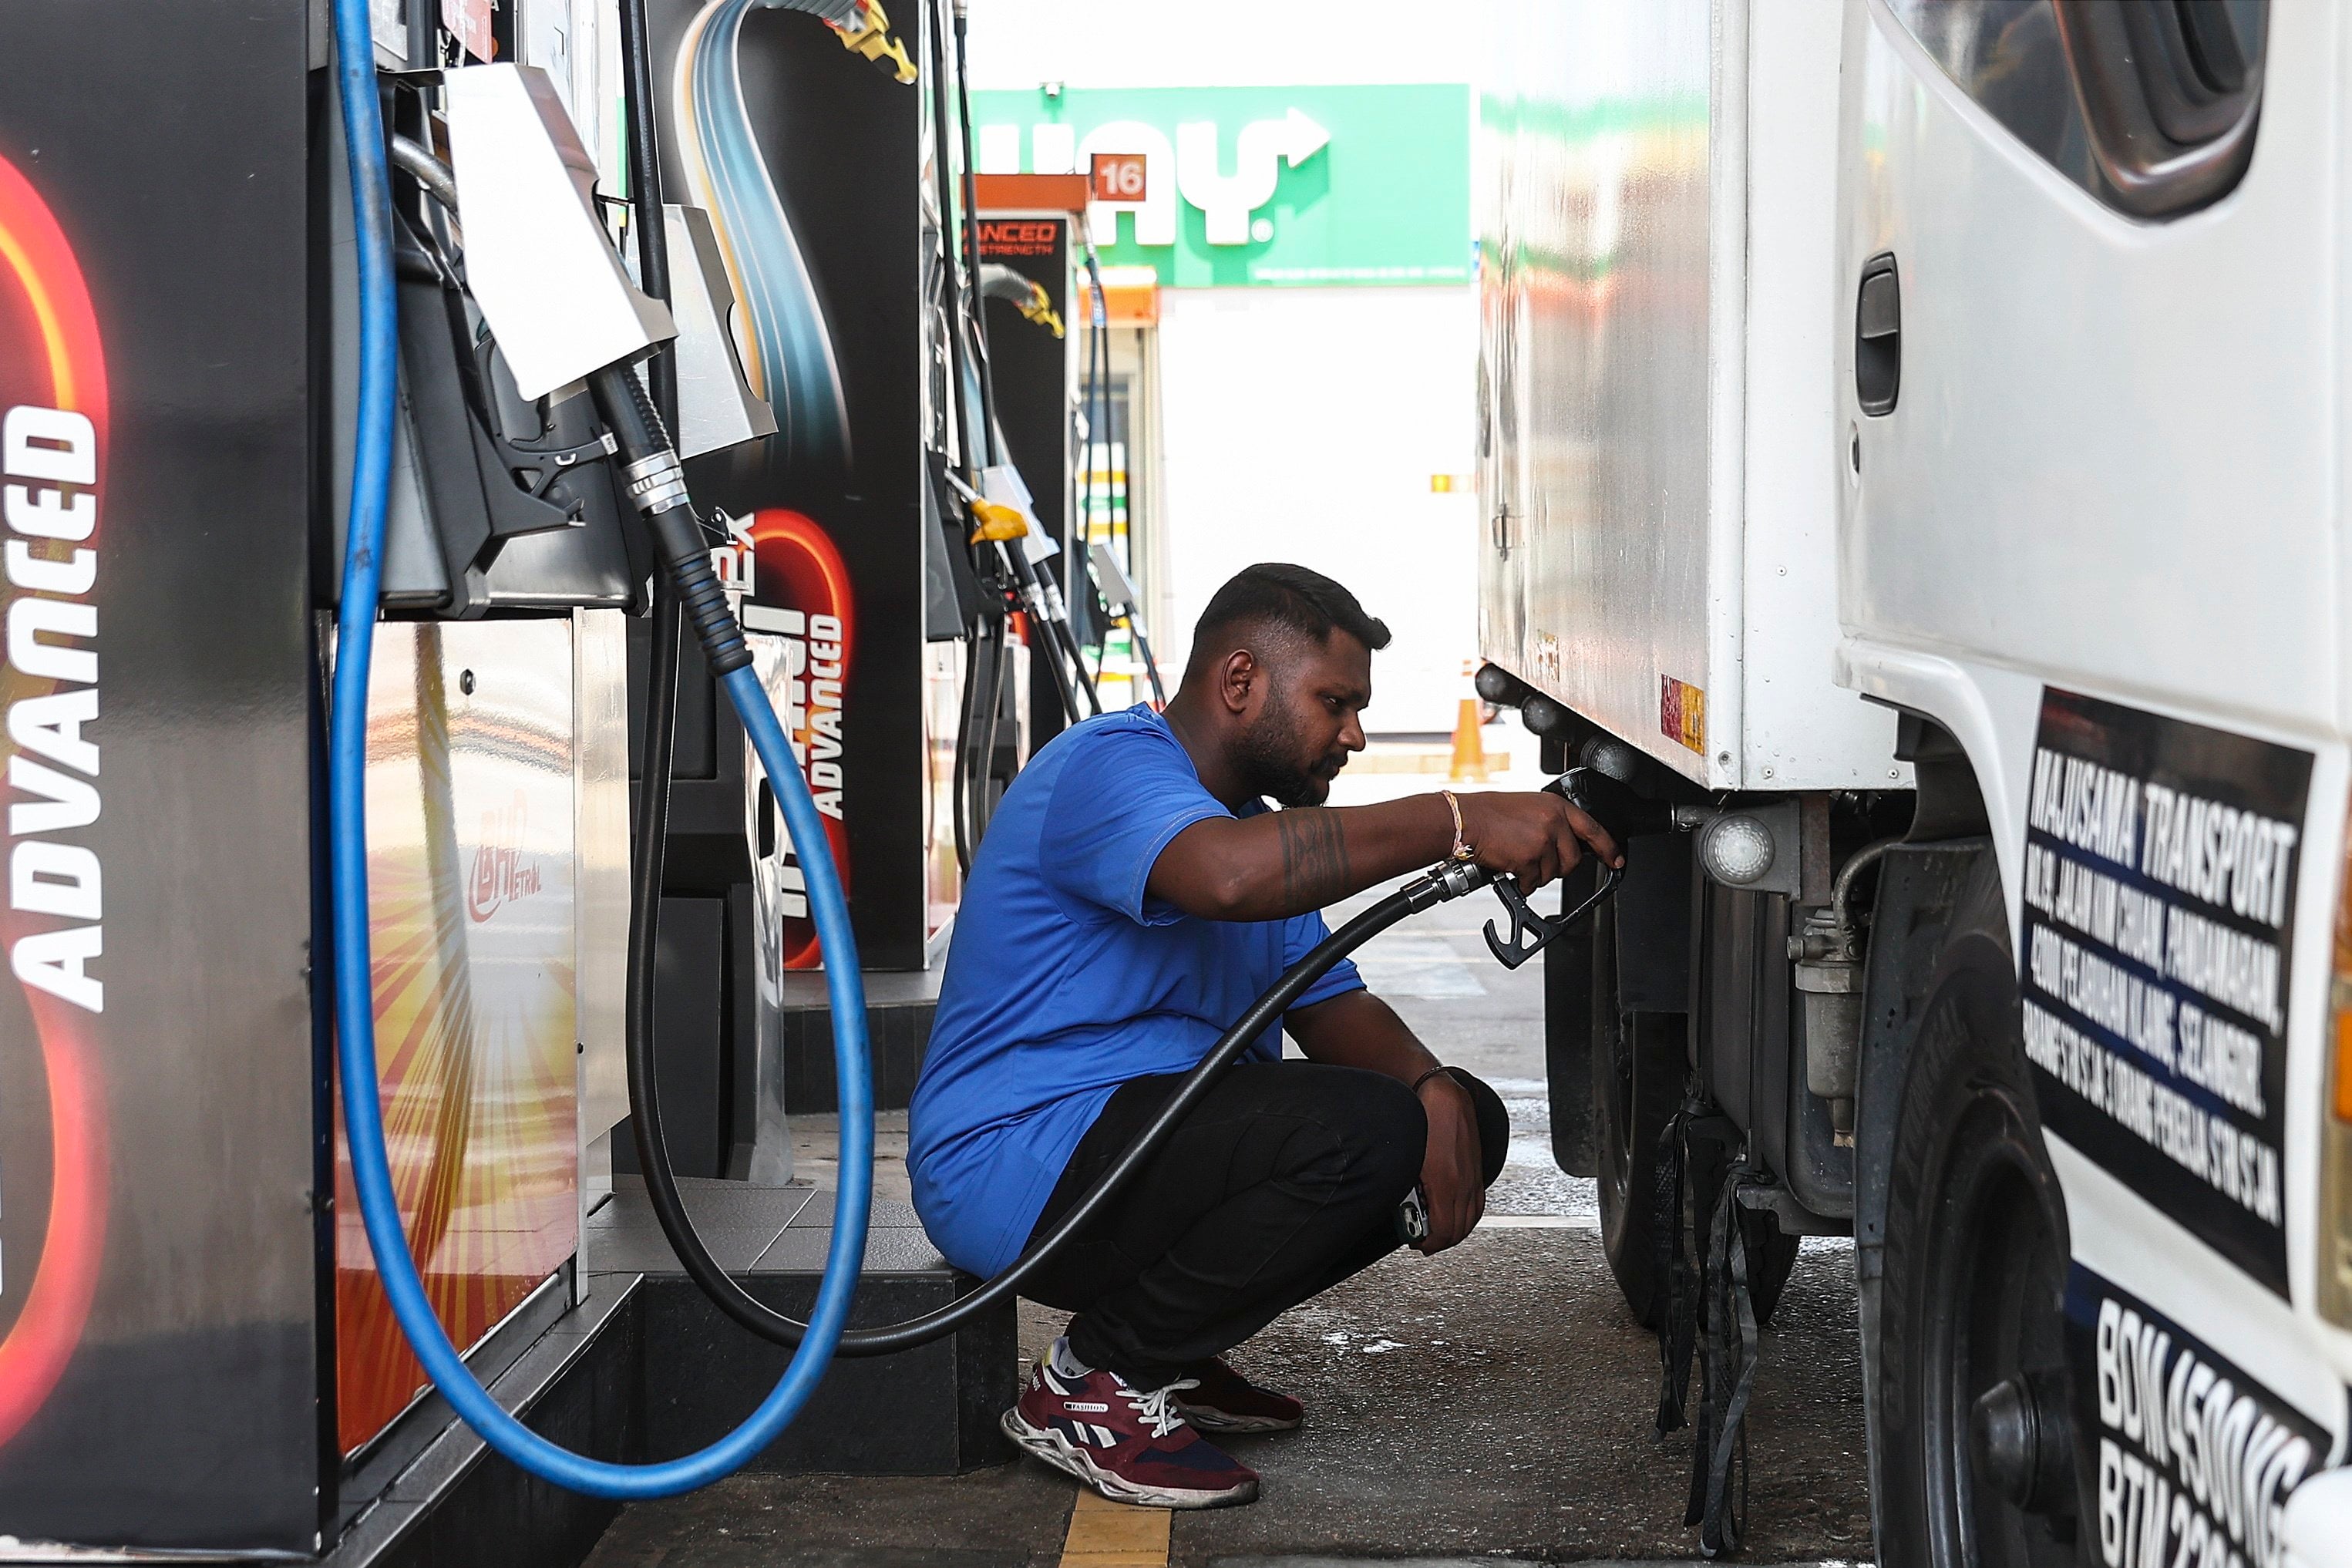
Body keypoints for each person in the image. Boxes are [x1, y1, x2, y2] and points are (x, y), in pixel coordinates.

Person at [907, 563, 1619, 1509]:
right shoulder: (1110, 767)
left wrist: (1434, 1088)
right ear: (1239, 682)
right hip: (1019, 1166)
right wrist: (1456, 818)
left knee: (1456, 1118)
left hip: (1130, 1157)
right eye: (1336, 703)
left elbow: (1332, 1008)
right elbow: (1230, 880)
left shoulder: (1248, 825)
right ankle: (1095, 1383)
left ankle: (1172, 1346)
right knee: (1365, 1130)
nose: (1355, 735)